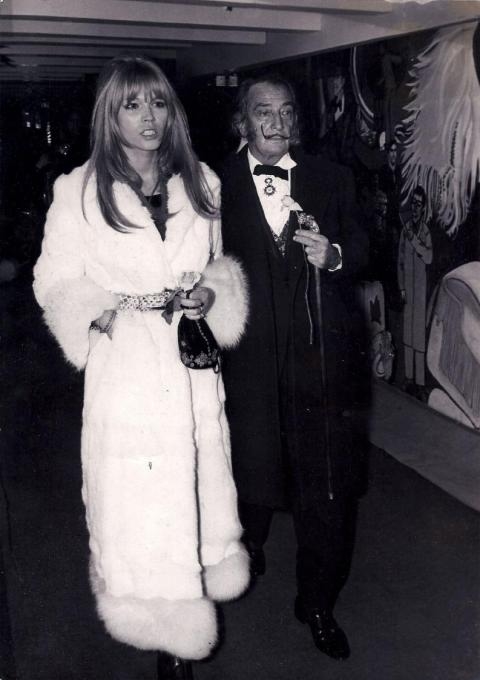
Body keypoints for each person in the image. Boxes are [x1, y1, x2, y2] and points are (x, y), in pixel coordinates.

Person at [33, 55, 249, 680]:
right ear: (111, 116)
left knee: (198, 492)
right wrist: (100, 316)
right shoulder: (78, 191)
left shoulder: (202, 183)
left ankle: (187, 615)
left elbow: (216, 264)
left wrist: (210, 293)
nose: (148, 117)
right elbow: (52, 280)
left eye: (156, 102)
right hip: (127, 374)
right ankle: (165, 635)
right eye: (132, 105)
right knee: (141, 505)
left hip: (190, 366)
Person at [220, 75, 369, 661]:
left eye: (285, 112)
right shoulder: (211, 187)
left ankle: (318, 603)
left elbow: (365, 245)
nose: (276, 123)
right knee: (249, 477)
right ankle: (246, 546)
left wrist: (335, 255)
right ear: (243, 121)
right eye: (264, 112)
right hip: (247, 369)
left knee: (325, 495)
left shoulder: (333, 178)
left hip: (321, 369)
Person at [398, 185, 433, 396]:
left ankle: (419, 383)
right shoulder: (405, 230)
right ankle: (409, 379)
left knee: (418, 336)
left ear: (424, 207)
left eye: (419, 204)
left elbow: (428, 257)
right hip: (408, 291)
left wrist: (414, 239)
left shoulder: (425, 232)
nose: (415, 208)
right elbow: (400, 261)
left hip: (420, 291)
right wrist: (401, 286)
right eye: (413, 203)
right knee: (407, 334)